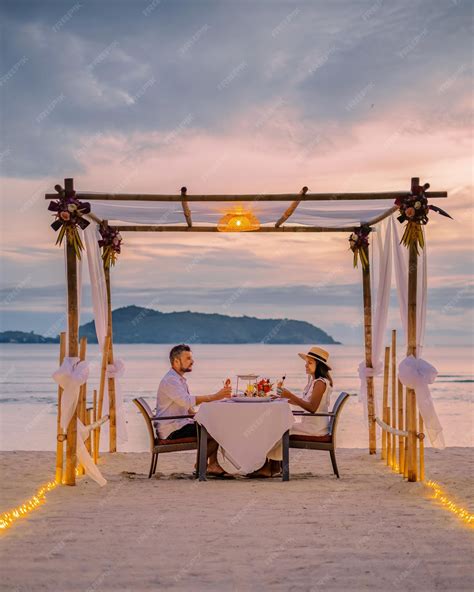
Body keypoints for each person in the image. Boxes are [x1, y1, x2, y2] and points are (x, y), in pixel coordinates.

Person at [250, 346, 333, 478]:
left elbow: (311, 408)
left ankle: (270, 467)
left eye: (310, 363)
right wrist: (285, 398)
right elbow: (305, 402)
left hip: (315, 428)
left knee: (279, 429)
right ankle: (272, 466)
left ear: (319, 365)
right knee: (277, 427)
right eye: (306, 362)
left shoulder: (320, 383)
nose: (306, 365)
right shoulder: (314, 382)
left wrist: (291, 396)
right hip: (312, 425)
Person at [155, 344, 232, 476]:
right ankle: (201, 463)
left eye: (191, 358)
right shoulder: (170, 381)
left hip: (179, 424)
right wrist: (215, 396)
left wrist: (201, 415)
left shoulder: (178, 379)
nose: (192, 361)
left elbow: (186, 407)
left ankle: (212, 465)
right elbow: (186, 401)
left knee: (217, 424)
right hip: (172, 429)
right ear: (176, 361)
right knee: (218, 429)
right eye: (188, 358)